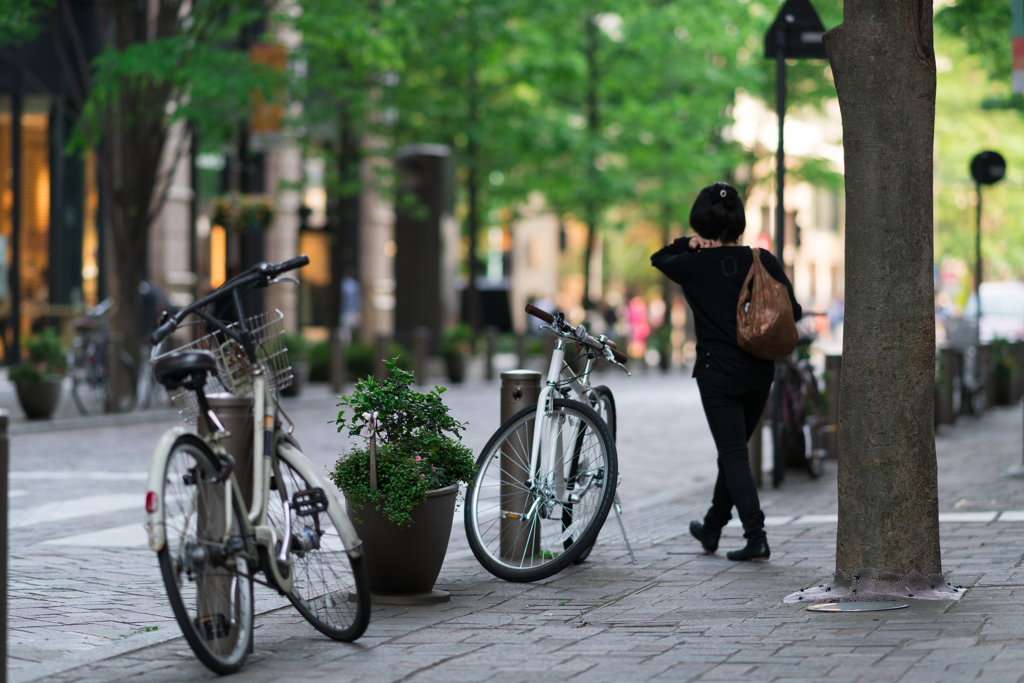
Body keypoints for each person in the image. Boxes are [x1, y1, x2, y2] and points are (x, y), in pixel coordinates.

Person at [650, 182, 801, 561]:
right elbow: (793, 312)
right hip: (758, 371)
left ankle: (756, 536)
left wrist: (689, 243)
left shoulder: (691, 265)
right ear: (739, 220)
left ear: (701, 219)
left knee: (733, 455)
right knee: (732, 454)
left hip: (717, 371)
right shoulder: (762, 260)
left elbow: (659, 257)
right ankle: (713, 527)